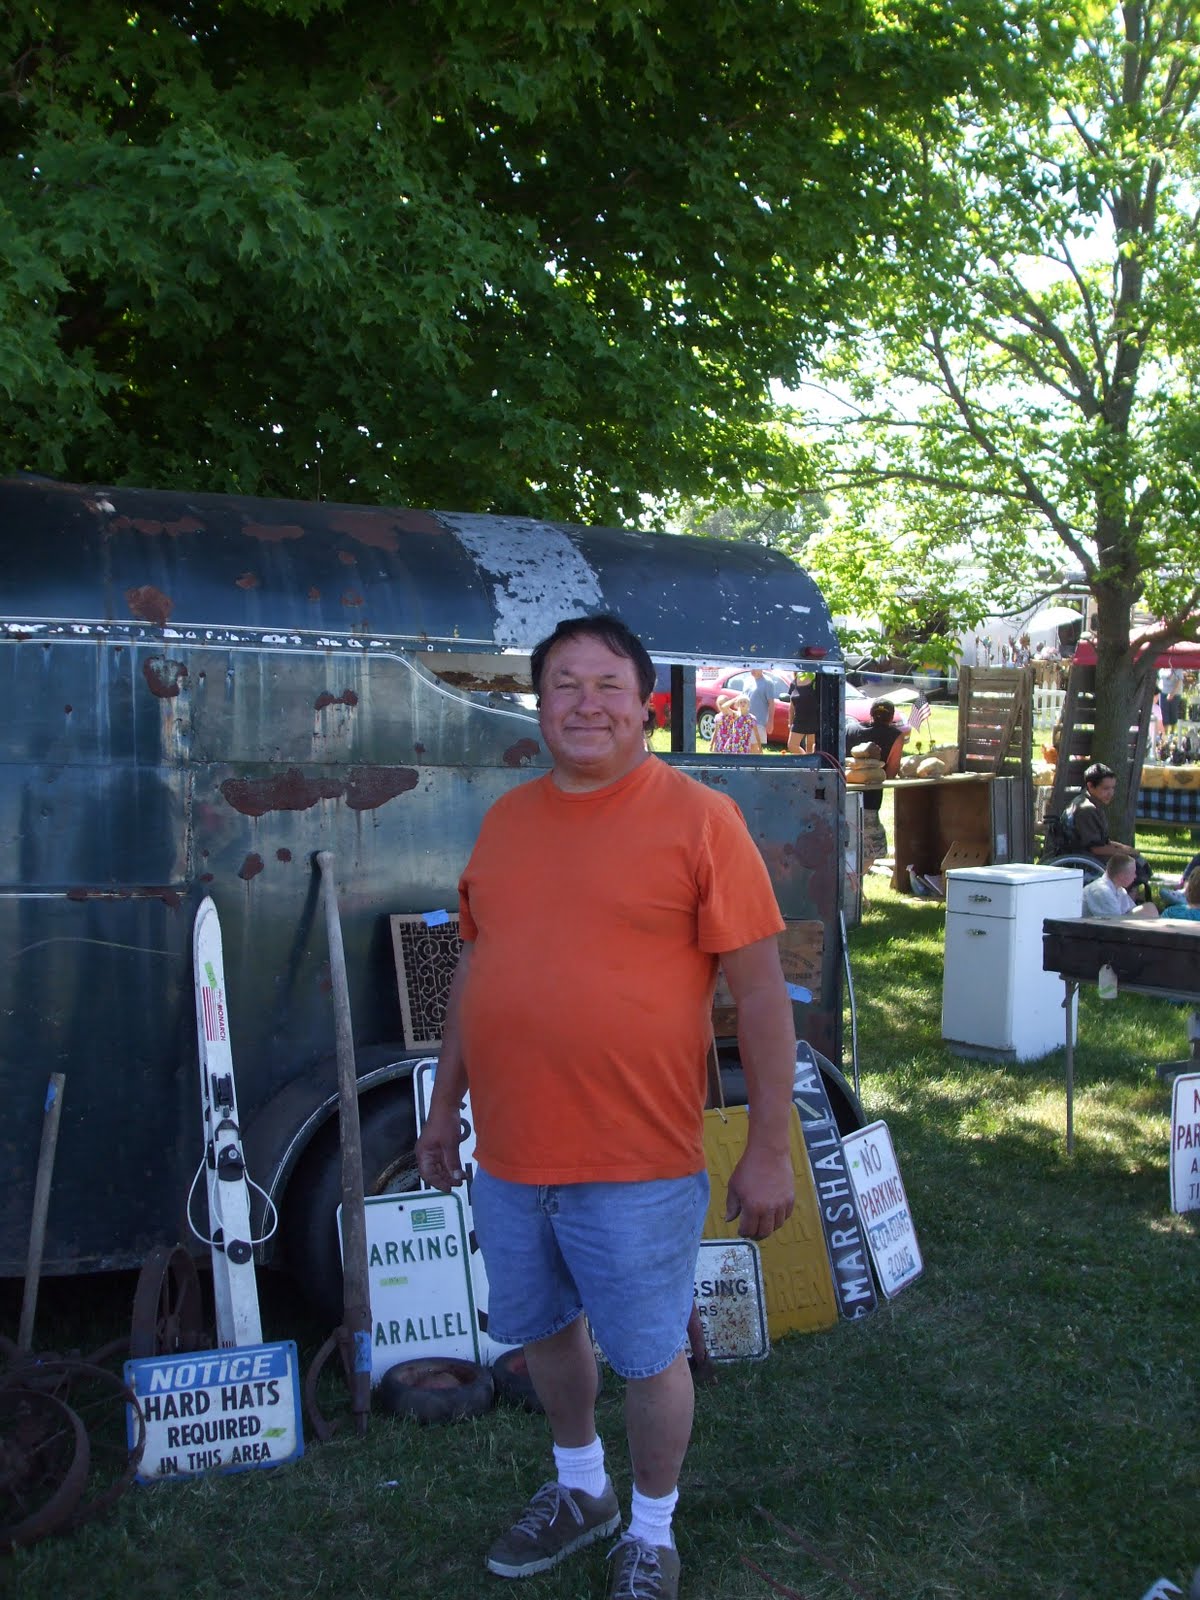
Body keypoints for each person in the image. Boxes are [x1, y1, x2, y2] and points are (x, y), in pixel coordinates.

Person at [415, 614, 797, 1600]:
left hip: (638, 1155)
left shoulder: (702, 818)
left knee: (648, 1353)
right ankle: (582, 1488)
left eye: (608, 685)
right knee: (544, 1330)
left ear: (645, 705)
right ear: (538, 704)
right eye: (564, 685)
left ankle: (653, 1531)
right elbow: (476, 972)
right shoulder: (507, 821)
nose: (586, 704)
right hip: (511, 1152)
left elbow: (761, 995)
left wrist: (770, 1147)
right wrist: (443, 1106)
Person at [1058, 762, 1152, 888]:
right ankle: (1128, 898)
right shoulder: (1086, 810)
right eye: (1106, 788)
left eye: (1113, 788)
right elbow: (1096, 848)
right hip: (1084, 862)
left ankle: (1130, 896)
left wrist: (1125, 848)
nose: (1111, 793)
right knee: (1134, 868)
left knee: (1137, 861)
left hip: (1089, 856)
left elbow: (1102, 841)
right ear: (1090, 786)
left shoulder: (1091, 804)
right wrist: (1126, 853)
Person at [845, 699, 909, 869]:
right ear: (891, 717)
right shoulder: (896, 736)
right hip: (871, 801)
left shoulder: (850, 729)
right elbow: (891, 773)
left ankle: (849, 878)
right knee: (873, 849)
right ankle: (855, 880)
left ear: (871, 714)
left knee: (845, 842)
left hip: (844, 795)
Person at [1082, 856, 1159, 920]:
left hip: (1111, 924)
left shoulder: (1119, 889)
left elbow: (1131, 909)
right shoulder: (1102, 891)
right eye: (1133, 872)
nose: (1135, 876)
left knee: (1149, 908)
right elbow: (1114, 923)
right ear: (1121, 876)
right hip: (1089, 930)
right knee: (1149, 910)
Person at [786, 669, 818, 755]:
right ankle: (807, 761)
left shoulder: (815, 679)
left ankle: (809, 762)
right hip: (798, 720)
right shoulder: (794, 683)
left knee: (811, 746)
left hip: (813, 718)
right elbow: (791, 706)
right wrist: (790, 723)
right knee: (792, 745)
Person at [746, 667, 775, 749]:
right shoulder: (748, 680)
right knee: (746, 748)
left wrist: (770, 721)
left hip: (759, 722)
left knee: (754, 748)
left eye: (755, 668)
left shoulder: (768, 682)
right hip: (746, 720)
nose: (752, 670)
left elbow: (771, 703)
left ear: (762, 668)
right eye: (751, 667)